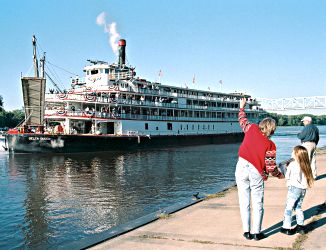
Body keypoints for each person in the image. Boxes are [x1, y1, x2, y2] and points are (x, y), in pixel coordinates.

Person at [235, 97, 284, 241]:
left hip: (241, 166)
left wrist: (242, 107)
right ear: (272, 129)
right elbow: (269, 168)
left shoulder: (251, 129)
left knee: (244, 200)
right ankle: (256, 232)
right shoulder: (271, 145)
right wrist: (279, 174)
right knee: (257, 201)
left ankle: (246, 231)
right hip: (256, 171)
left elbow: (242, 121)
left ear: (261, 124)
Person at [280, 145, 314, 235]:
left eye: (293, 152)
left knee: (289, 207)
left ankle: (286, 227)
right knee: (298, 207)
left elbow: (287, 176)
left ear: (296, 155)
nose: (291, 153)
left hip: (294, 188)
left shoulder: (292, 164)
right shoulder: (306, 164)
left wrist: (285, 168)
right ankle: (301, 226)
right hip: (302, 189)